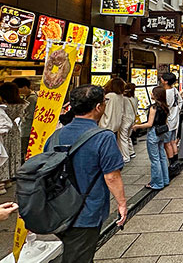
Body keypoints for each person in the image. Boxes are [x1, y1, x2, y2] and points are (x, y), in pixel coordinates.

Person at [44, 85, 127, 263]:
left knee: (78, 252)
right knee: (78, 256)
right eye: (104, 102)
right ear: (98, 107)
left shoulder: (56, 136)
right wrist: (122, 204)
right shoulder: (103, 137)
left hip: (57, 208)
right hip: (86, 211)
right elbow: (112, 176)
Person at [133, 86, 170, 190]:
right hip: (162, 132)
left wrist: (137, 126)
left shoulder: (153, 107)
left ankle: (157, 183)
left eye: (153, 93)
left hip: (154, 133)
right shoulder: (165, 106)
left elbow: (149, 124)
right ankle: (165, 179)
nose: (151, 94)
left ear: (156, 95)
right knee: (162, 156)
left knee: (155, 159)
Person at [0, 82, 27, 190]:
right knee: (14, 154)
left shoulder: (3, 106)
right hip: (15, 131)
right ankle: (10, 178)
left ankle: (2, 181)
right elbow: (23, 117)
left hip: (3, 132)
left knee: (3, 156)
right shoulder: (22, 104)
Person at [160, 73, 183, 163]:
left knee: (167, 143)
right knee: (173, 141)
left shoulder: (166, 93)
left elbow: (165, 107)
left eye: (162, 78)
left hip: (168, 121)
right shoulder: (174, 90)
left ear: (165, 81)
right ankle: (175, 161)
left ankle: (172, 162)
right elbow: (180, 101)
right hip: (175, 119)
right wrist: (177, 110)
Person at [12, 77, 37, 158]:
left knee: (25, 152)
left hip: (27, 130)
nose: (17, 91)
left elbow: (30, 115)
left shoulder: (32, 98)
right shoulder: (29, 97)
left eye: (18, 88)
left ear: (25, 87)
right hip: (26, 129)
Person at [120, 83, 138, 163]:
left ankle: (125, 156)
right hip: (132, 119)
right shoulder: (135, 98)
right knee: (128, 136)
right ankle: (131, 152)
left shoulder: (124, 99)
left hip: (125, 119)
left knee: (123, 137)